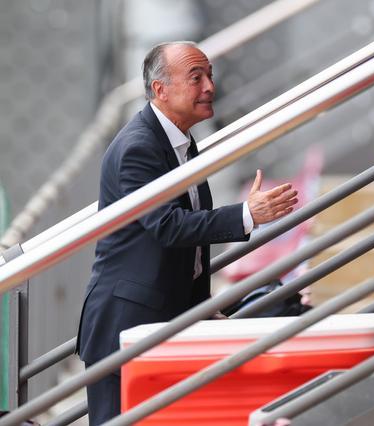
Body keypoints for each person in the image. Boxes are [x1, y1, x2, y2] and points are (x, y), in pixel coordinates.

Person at [75, 41, 298, 424]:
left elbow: (185, 239)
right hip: (126, 326)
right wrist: (247, 214)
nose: (210, 86)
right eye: (196, 78)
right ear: (160, 90)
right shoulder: (138, 147)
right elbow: (168, 225)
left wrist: (200, 309)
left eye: (209, 75)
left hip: (164, 319)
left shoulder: (179, 140)